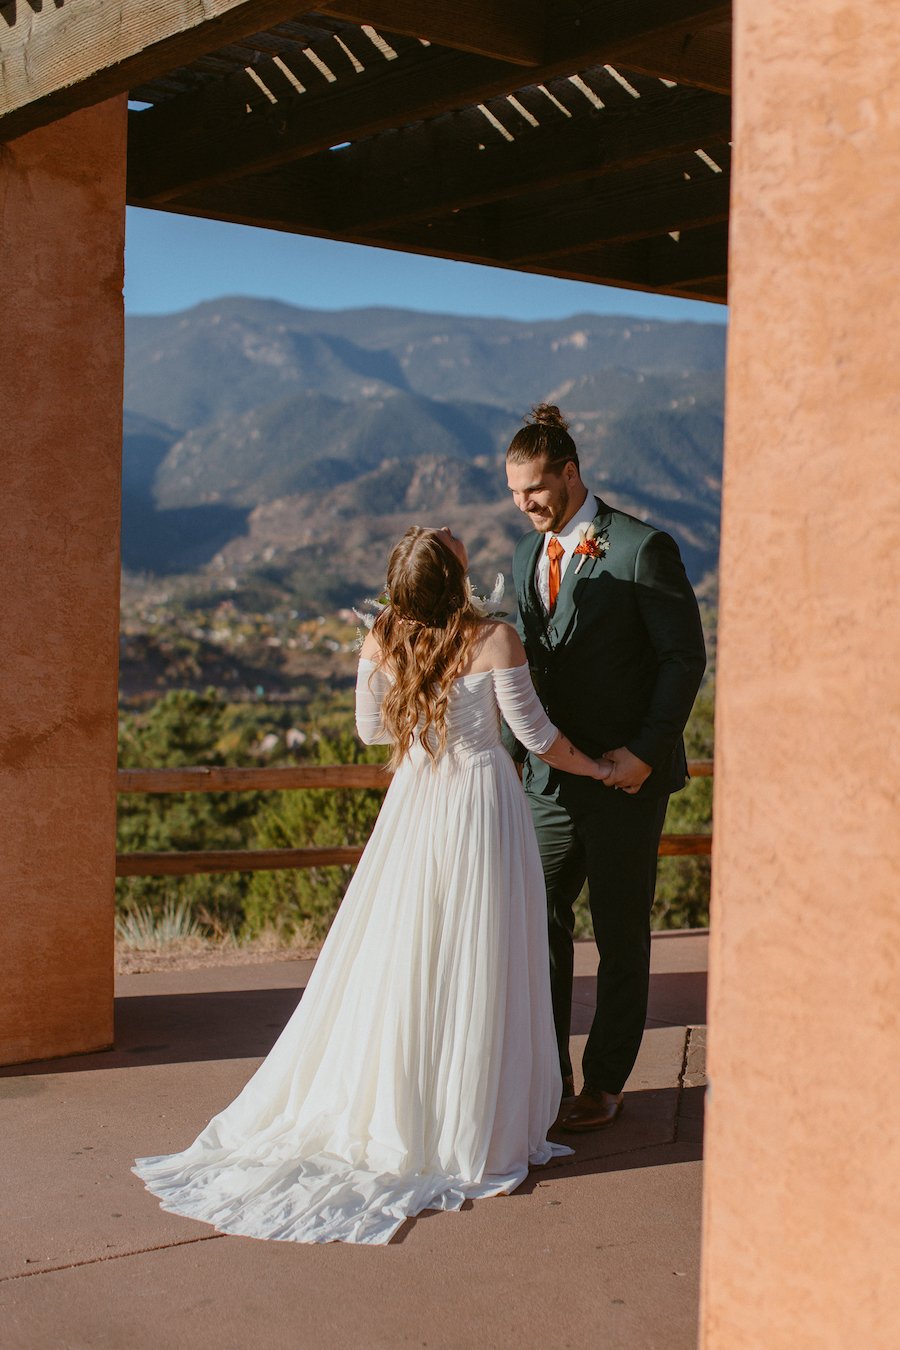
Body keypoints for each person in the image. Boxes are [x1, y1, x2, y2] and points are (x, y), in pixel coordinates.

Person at [134, 525, 610, 1245]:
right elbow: (539, 737)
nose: (448, 532)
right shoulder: (496, 641)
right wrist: (602, 768)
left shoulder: (382, 638)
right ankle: (467, 1113)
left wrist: (426, 730)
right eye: (443, 540)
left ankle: (409, 1103)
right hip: (481, 805)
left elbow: (367, 731)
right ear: (455, 576)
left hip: (418, 801)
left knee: (405, 954)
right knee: (478, 953)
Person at [504, 405, 707, 1132]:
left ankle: (606, 1082)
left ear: (570, 471)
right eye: (515, 495)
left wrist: (646, 752)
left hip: (627, 781)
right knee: (539, 930)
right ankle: (548, 1078)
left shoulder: (642, 547)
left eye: (535, 490)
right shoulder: (527, 557)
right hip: (548, 785)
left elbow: (684, 658)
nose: (525, 505)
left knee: (621, 936)